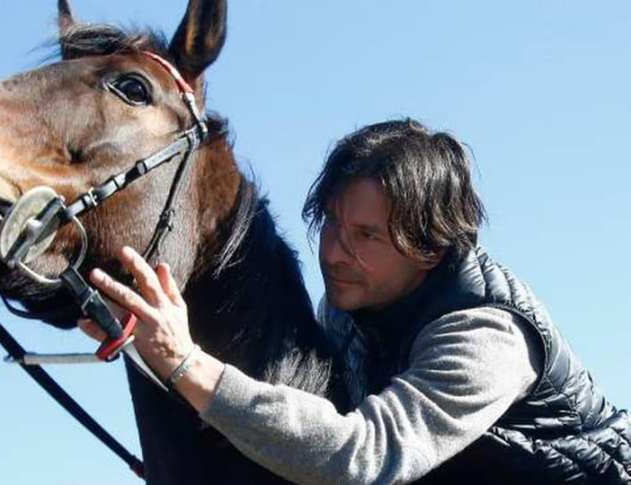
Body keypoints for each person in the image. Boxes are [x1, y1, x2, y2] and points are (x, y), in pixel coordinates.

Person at [81, 119, 631, 484]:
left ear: (431, 246)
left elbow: (361, 455)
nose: (335, 253)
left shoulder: (486, 336)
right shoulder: (347, 311)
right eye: (331, 225)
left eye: (366, 235)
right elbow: (295, 425)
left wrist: (185, 362)